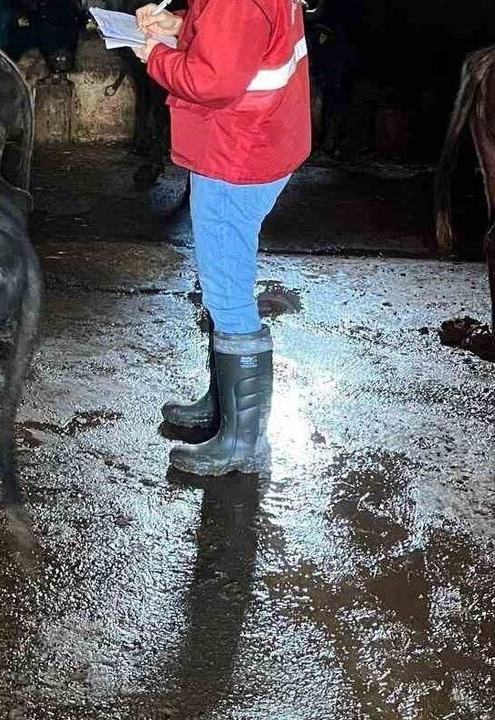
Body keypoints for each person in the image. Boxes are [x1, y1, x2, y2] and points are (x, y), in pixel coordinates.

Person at [134, 0, 310, 477]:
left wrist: (155, 55)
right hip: (260, 140)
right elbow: (235, 44)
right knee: (225, 280)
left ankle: (241, 444)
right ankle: (225, 407)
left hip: (236, 152)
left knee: (227, 289)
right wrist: (180, 27)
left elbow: (214, 81)